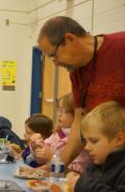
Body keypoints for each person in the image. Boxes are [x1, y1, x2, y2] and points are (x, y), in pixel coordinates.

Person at [37, 16, 125, 167]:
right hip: (106, 163)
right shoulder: (77, 73)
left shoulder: (120, 46)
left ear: (70, 39)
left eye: (53, 55)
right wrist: (58, 166)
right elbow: (78, 124)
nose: (56, 63)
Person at [67, 101, 125, 192]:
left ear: (119, 139)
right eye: (86, 141)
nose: (86, 147)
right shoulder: (95, 164)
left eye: (94, 141)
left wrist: (83, 185)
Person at [32, 93, 89, 174]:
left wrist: (51, 158)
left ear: (77, 114)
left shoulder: (81, 139)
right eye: (58, 110)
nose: (58, 114)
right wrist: (36, 146)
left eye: (63, 111)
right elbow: (40, 159)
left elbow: (76, 171)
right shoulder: (57, 134)